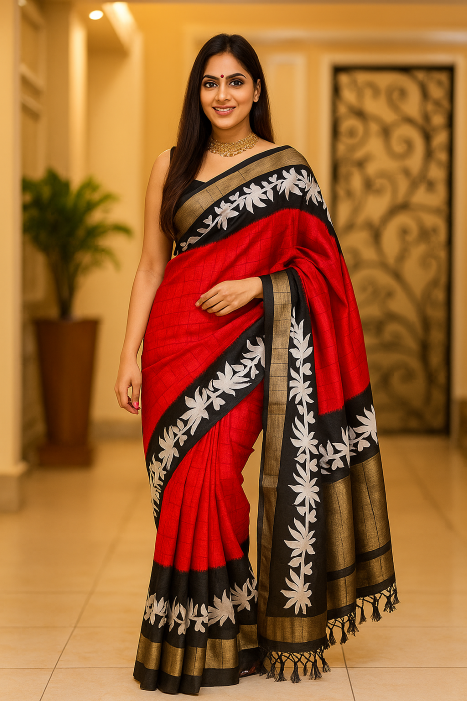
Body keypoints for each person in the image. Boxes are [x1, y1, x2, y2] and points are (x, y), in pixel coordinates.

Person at [114, 33, 398, 696]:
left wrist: (258, 287)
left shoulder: (288, 170)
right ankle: (223, 633)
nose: (223, 95)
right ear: (197, 92)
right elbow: (151, 265)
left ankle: (220, 630)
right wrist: (129, 355)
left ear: (256, 89)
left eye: (235, 81)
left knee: (215, 479)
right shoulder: (170, 164)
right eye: (210, 82)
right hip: (173, 345)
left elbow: (325, 268)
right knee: (180, 488)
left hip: (249, 343)